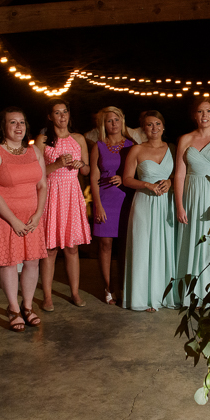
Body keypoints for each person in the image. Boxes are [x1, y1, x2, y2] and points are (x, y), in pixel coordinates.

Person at [0, 108, 48, 332]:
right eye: (13, 123)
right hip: (5, 216)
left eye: (22, 122)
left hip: (32, 216)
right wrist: (14, 221)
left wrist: (37, 215)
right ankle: (13, 308)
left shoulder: (34, 150)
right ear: (3, 127)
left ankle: (27, 306)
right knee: (9, 262)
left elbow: (42, 185)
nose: (19, 127)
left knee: (32, 261)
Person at [174, 97, 210, 304]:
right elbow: (179, 175)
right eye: (200, 111)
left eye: (208, 111)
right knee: (191, 243)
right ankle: (191, 295)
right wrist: (179, 205)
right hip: (191, 196)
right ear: (194, 115)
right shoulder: (185, 139)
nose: (204, 115)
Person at [37, 100, 91, 311]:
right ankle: (47, 296)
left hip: (71, 194)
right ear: (50, 117)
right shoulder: (43, 140)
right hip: (51, 193)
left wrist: (81, 165)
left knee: (72, 247)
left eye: (65, 112)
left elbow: (86, 171)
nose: (62, 116)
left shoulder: (78, 139)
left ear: (69, 114)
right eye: (57, 113)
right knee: (50, 249)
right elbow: (37, 173)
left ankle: (75, 292)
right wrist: (58, 164)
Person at [122, 111, 179, 311]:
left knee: (164, 246)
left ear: (163, 126)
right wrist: (147, 185)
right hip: (144, 203)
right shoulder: (136, 150)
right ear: (143, 129)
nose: (154, 128)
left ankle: (163, 294)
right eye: (149, 125)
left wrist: (171, 181)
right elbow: (127, 179)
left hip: (166, 204)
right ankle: (143, 298)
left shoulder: (173, 148)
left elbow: (179, 174)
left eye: (157, 124)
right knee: (143, 247)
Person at [89, 106, 134, 304]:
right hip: (104, 198)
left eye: (116, 119)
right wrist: (97, 204)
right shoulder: (98, 145)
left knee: (125, 246)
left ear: (122, 121)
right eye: (109, 120)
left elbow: (138, 173)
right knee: (105, 244)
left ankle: (125, 286)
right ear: (103, 124)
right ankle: (108, 288)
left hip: (125, 198)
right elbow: (93, 176)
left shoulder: (132, 145)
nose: (113, 124)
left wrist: (124, 179)